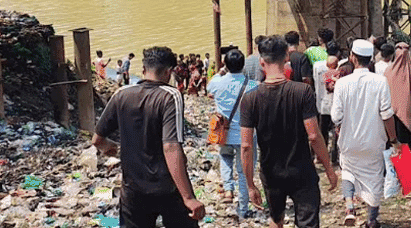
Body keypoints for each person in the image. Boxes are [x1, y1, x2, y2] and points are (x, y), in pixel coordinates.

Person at [92, 46, 204, 228]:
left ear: (143, 70)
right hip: (167, 187)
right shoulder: (171, 96)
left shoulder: (121, 94)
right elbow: (171, 147)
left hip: (132, 189)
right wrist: (189, 197)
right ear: (169, 72)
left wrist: (109, 148)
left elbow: (97, 139)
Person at [240, 35, 337, 228]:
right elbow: (314, 136)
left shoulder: (250, 98)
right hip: (301, 169)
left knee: (276, 220)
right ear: (286, 57)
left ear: (262, 62)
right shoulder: (302, 92)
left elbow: (246, 146)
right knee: (308, 222)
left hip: (271, 172)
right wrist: (329, 169)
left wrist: (250, 185)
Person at [331, 39, 398, 228]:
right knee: (374, 178)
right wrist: (393, 139)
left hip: (348, 142)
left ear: (352, 57)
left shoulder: (342, 83)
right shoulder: (380, 82)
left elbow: (336, 116)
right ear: (370, 60)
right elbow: (387, 115)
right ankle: (371, 219)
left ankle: (350, 206)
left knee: (348, 172)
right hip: (374, 142)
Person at [206, 49, 259, 220]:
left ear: (225, 65)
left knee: (225, 158)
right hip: (246, 136)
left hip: (224, 133)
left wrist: (221, 71)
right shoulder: (252, 85)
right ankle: (243, 209)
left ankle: (228, 190)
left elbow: (209, 86)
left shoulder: (217, 82)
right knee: (244, 172)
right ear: (243, 65)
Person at [384, 42, 411, 148]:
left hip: (391, 114)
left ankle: (394, 164)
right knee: (406, 144)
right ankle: (406, 164)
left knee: (393, 144)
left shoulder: (388, 71)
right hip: (408, 114)